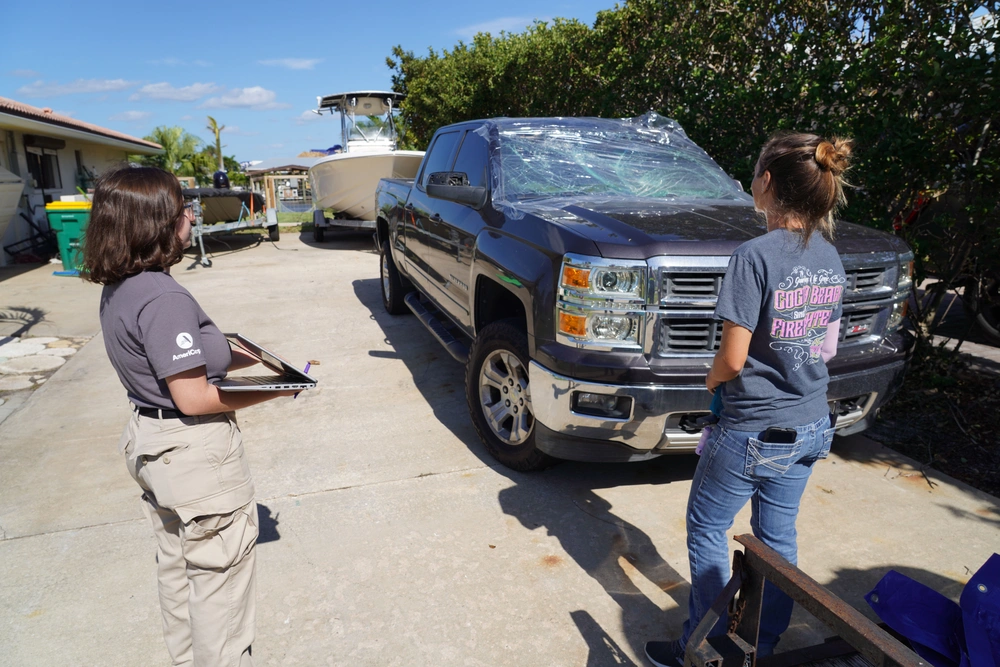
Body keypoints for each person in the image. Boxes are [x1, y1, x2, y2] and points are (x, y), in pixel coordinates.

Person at [645, 133, 852, 666]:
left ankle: (705, 645)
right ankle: (761, 645)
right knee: (777, 540)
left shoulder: (753, 256)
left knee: (708, 528)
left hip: (751, 428)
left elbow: (732, 360)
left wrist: (712, 383)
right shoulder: (829, 255)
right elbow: (824, 347)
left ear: (766, 184)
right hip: (810, 423)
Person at [83, 165, 296, 666]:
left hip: (153, 446)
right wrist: (275, 389)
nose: (192, 215)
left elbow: (163, 359)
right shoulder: (163, 297)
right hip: (195, 457)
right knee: (220, 599)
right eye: (182, 210)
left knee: (180, 580)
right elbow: (194, 397)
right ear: (156, 223)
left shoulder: (121, 288)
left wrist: (229, 352)